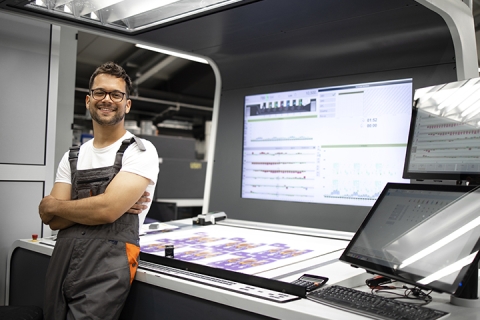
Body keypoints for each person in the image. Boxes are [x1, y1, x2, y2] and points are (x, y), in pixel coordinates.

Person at [39, 61, 159, 320]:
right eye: (100, 92)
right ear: (88, 100)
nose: (107, 99)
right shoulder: (72, 155)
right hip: (62, 260)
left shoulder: (141, 150)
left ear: (127, 104)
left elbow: (105, 212)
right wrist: (106, 203)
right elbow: (50, 219)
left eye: (116, 94)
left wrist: (55, 204)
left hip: (107, 265)